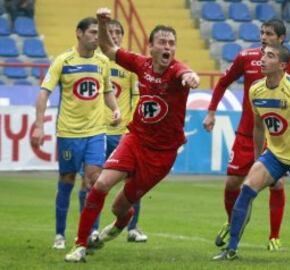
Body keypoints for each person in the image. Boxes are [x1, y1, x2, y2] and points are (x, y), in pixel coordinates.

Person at [64, 7, 200, 263]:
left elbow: (186, 73)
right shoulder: (141, 64)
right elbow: (108, 50)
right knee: (101, 183)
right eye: (162, 42)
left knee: (119, 208)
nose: (167, 47)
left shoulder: (177, 71)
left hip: (161, 155)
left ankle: (115, 228)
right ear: (151, 47)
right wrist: (103, 24)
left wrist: (191, 77)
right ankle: (80, 245)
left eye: (171, 43)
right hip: (135, 139)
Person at [213, 44, 290, 260]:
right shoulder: (256, 89)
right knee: (246, 190)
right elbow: (258, 126)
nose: (262, 59)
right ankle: (231, 249)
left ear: (282, 65)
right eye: (263, 55)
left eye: (270, 56)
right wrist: (258, 160)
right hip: (274, 155)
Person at [203, 19, 290, 251]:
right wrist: (211, 112)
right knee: (232, 184)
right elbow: (222, 83)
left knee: (277, 183)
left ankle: (274, 236)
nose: (263, 37)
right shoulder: (245, 58)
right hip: (247, 132)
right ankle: (232, 222)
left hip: (277, 136)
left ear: (281, 39)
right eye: (261, 33)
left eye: (269, 34)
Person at [30, 16, 120, 250]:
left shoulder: (103, 61)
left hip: (96, 131)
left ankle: (90, 232)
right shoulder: (63, 60)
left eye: (97, 33)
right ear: (78, 33)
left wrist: (116, 108)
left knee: (93, 182)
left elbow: (107, 90)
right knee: (67, 180)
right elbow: (43, 94)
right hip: (69, 133)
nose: (95, 37)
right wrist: (39, 126)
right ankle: (60, 234)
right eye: (91, 32)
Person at [78, 18, 147, 243]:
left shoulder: (130, 66)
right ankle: (92, 230)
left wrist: (133, 125)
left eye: (118, 32)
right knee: (91, 181)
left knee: (133, 181)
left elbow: (138, 98)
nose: (115, 35)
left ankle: (132, 228)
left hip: (123, 133)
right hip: (96, 130)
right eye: (110, 32)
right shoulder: (95, 61)